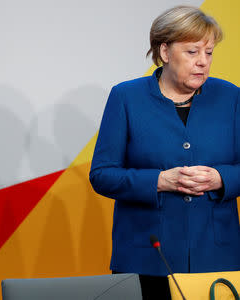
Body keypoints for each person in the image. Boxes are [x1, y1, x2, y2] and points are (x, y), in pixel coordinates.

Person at [89, 6, 240, 300]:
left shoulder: (231, 96)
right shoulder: (126, 97)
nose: (203, 63)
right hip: (146, 258)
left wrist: (220, 178)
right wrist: (159, 181)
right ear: (165, 52)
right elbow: (102, 175)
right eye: (192, 52)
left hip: (216, 260)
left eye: (208, 53)